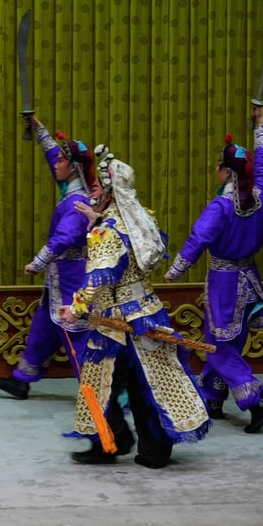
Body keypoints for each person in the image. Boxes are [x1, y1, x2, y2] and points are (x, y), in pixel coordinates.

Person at [60, 147, 211, 469]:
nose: (93, 193)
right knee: (149, 386)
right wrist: (97, 220)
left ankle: (108, 444)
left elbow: (97, 278)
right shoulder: (141, 221)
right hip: (147, 313)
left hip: (114, 323)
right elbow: (127, 251)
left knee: (97, 386)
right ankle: (153, 451)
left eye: (99, 189)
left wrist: (75, 308)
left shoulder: (106, 232)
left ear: (112, 192)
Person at [164, 104, 263, 433]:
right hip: (249, 279)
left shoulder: (221, 206)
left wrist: (176, 270)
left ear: (226, 172)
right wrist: (261, 124)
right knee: (232, 340)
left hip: (225, 283)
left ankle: (257, 400)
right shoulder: (261, 196)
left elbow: (199, 238)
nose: (215, 170)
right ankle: (213, 397)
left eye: (218, 166)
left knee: (218, 344)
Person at [0, 116, 94, 400]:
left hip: (72, 277)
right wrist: (39, 130)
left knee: (74, 333)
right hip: (60, 276)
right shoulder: (71, 191)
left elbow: (63, 239)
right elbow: (53, 158)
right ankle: (22, 379)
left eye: (62, 161)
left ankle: (102, 391)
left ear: (73, 168)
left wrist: (37, 262)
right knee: (45, 325)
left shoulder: (77, 203)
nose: (56, 164)